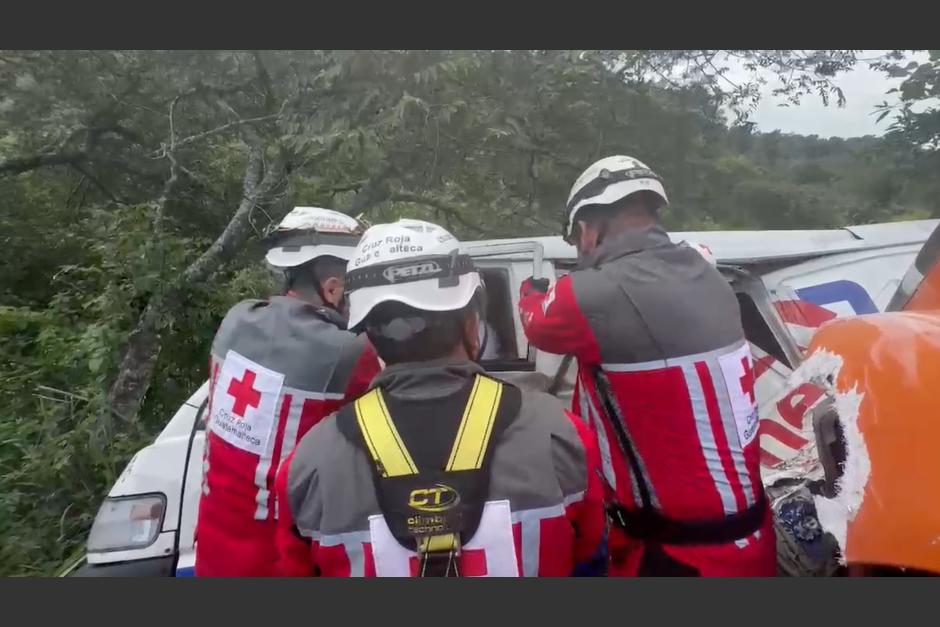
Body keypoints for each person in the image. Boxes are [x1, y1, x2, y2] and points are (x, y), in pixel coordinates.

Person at [274, 219, 607, 577]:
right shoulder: (563, 437)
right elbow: (591, 558)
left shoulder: (306, 469)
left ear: (368, 334)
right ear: (471, 325)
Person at [517, 155, 775, 576]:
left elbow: (538, 326)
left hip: (676, 555)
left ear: (587, 228)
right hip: (751, 535)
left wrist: (531, 291)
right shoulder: (704, 269)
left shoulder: (595, 293)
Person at [194, 206, 381, 577]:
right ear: (332, 288)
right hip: (280, 563)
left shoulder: (236, 320)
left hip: (213, 553)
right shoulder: (348, 353)